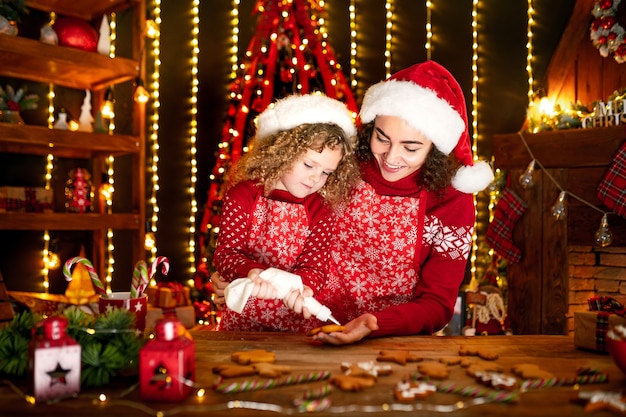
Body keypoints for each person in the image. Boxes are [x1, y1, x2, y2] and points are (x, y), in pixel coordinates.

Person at [212, 60, 494, 344]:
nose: (391, 157)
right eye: (381, 138)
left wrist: (374, 324)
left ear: (435, 147)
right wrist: (243, 278)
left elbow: (437, 304)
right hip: (303, 331)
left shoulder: (452, 200)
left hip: (389, 341)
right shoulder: (339, 165)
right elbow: (279, 224)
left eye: (410, 147)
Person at [212, 93, 360, 332]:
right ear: (282, 153)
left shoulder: (321, 209)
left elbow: (315, 266)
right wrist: (254, 273)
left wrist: (303, 288)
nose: (315, 178)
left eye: (326, 172)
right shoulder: (243, 195)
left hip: (295, 324)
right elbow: (227, 253)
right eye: (309, 165)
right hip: (241, 323)